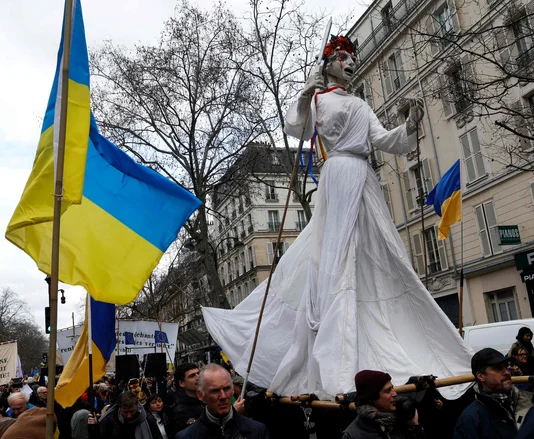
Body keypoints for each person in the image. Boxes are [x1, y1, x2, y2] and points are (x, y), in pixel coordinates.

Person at [202, 33, 473, 400]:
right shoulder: (319, 99)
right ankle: (334, 353)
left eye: (352, 57)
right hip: (339, 176)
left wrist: (411, 123)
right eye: (343, 56)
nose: (350, 63)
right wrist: (303, 96)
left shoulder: (360, 105)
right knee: (336, 254)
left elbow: (388, 141)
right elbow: (296, 129)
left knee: (378, 252)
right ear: (328, 63)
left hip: (363, 177)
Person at [454, 348, 534, 439]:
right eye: (498, 368)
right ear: (481, 376)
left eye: (506, 366)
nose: (507, 372)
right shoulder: (471, 419)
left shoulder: (527, 401)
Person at [175, 364, 268, 439]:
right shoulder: (186, 436)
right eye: (215, 391)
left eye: (227, 388)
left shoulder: (257, 431)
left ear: (233, 390)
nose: (223, 396)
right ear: (200, 395)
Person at [342, 370, 425, 439]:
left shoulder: (400, 419)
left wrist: (414, 426)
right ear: (372, 398)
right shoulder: (353, 435)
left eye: (392, 388)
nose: (395, 394)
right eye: (388, 390)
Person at [92, 391, 163, 439]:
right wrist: (95, 427)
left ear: (137, 406)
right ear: (120, 408)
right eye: (125, 412)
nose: (129, 415)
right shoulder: (110, 421)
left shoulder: (148, 419)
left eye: (132, 411)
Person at [171, 363, 202, 434]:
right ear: (182, 383)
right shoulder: (181, 410)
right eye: (192, 376)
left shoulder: (206, 398)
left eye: (198, 373)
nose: (198, 378)